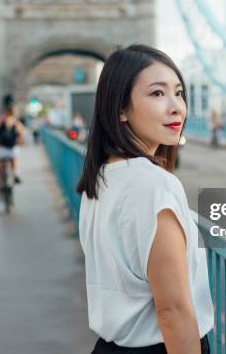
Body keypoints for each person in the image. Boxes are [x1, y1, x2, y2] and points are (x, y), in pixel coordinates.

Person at [76, 45, 213, 353]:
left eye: (178, 92)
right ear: (120, 109)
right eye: (157, 94)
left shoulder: (98, 180)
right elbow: (172, 311)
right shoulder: (155, 186)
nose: (176, 106)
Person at [0, 95, 25, 186]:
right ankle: (15, 173)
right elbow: (21, 135)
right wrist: (20, 141)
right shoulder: (16, 121)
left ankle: (0, 195)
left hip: (1, 147)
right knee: (14, 157)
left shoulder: (1, 119)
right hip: (12, 149)